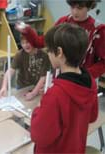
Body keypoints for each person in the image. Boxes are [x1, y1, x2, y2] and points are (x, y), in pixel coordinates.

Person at [31, 23, 98, 153]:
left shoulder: (55, 94)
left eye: (49, 50)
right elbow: (92, 116)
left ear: (59, 52)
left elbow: (39, 136)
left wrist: (38, 110)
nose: (48, 54)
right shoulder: (90, 81)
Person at [16, 0, 105, 78]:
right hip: (61, 78)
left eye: (79, 8)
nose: (74, 12)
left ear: (89, 7)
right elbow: (40, 42)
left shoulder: (97, 31)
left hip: (84, 82)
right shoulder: (63, 22)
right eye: (72, 7)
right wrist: (27, 30)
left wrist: (86, 75)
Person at [0, 36, 51, 100]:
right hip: (22, 86)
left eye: (27, 42)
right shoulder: (20, 54)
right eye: (23, 43)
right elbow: (10, 70)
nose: (25, 45)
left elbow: (43, 76)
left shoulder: (44, 55)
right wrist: (4, 86)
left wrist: (34, 93)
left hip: (37, 87)